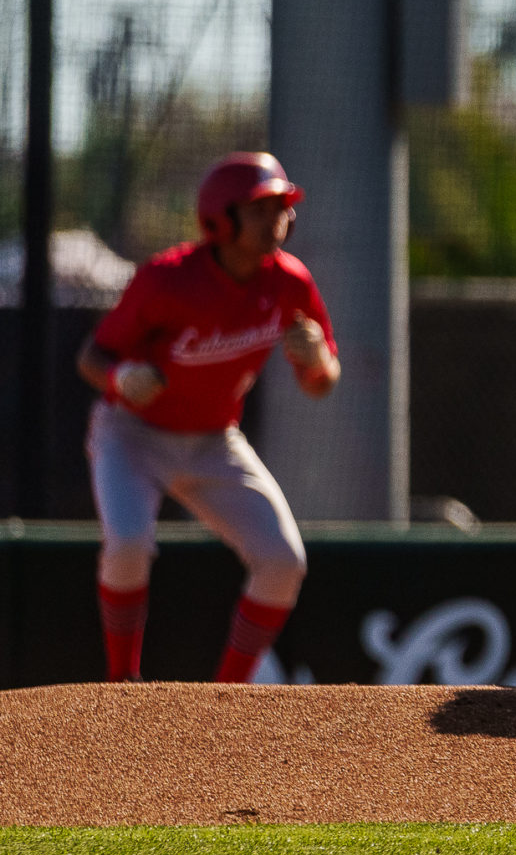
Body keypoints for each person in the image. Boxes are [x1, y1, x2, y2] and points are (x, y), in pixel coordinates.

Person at [77, 152, 340, 683]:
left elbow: (321, 384)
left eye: (282, 208)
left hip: (214, 441)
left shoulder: (290, 282)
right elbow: (91, 357)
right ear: (220, 218)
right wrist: (120, 379)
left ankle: (226, 699)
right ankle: (121, 687)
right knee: (128, 546)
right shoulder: (168, 278)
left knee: (283, 562)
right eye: (261, 209)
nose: (278, 219)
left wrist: (318, 361)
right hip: (133, 435)